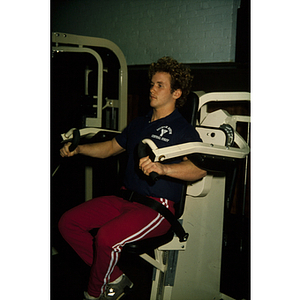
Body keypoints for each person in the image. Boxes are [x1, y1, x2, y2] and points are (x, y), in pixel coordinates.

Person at [58, 56, 207, 300]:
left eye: (160, 85)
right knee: (68, 223)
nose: (152, 89)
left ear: (177, 93)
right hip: (124, 199)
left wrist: (164, 169)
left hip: (157, 208)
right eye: (152, 84)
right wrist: (80, 149)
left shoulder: (184, 130)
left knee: (106, 238)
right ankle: (114, 277)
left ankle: (95, 294)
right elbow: (109, 148)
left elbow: (198, 170)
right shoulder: (139, 123)